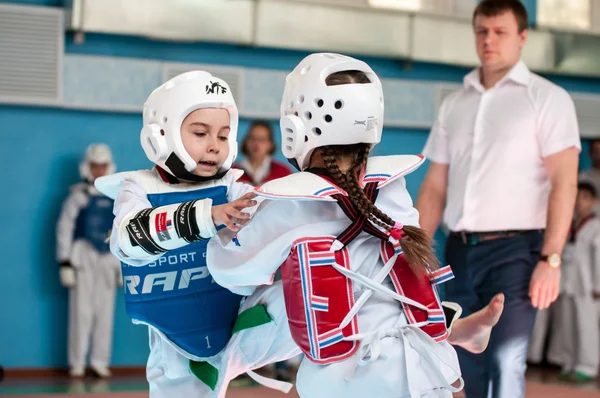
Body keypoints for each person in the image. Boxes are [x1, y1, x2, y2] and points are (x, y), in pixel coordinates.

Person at [207, 52, 508, 398]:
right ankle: (451, 328)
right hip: (426, 365)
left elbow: (230, 271)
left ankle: (218, 365)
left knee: (270, 300)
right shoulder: (391, 187)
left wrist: (221, 227)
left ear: (294, 127)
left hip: (350, 377)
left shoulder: (288, 202)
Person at [94, 71, 298, 397]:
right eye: (201, 133)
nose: (214, 146)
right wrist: (207, 216)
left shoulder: (231, 185)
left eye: (223, 135)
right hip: (176, 345)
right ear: (162, 135)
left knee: (308, 299)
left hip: (240, 322)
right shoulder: (140, 186)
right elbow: (126, 239)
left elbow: (269, 212)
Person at [415, 0, 581, 397]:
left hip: (517, 253)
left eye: (500, 31)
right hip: (458, 250)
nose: (489, 39)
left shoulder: (547, 98)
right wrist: (412, 250)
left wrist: (551, 259)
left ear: (523, 37)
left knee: (506, 359)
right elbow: (435, 186)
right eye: (482, 30)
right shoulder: (455, 104)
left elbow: (564, 183)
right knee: (462, 356)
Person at [56, 143, 121, 378]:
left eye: (103, 166)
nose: (99, 170)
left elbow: (122, 229)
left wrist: (123, 264)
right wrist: (64, 261)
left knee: (105, 312)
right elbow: (65, 227)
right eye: (95, 166)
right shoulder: (78, 196)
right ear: (87, 167)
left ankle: (99, 361)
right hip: (83, 255)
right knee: (81, 311)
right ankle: (77, 363)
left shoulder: (117, 196)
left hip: (108, 258)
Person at [556, 182, 600, 382]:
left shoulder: (596, 226)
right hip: (567, 281)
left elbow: (598, 257)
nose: (579, 202)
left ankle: (587, 366)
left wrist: (598, 285)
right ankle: (569, 361)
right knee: (567, 324)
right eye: (577, 197)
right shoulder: (569, 224)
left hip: (587, 285)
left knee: (586, 325)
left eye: (584, 198)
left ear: (593, 202)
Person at [235, 121, 292, 186]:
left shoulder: (283, 172)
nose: (256, 144)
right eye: (252, 138)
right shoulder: (233, 172)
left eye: (262, 139)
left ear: (270, 144)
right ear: (245, 142)